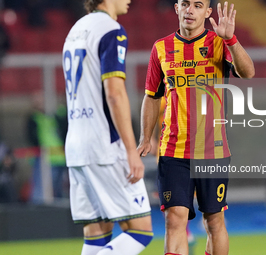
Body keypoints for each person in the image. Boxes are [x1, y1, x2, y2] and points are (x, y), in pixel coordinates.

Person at [137, 1, 255, 255]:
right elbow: (152, 96)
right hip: (173, 150)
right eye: (185, 4)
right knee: (174, 218)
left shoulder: (219, 43)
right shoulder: (161, 48)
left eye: (198, 5)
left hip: (212, 149)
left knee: (213, 220)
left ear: (207, 13)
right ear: (176, 8)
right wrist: (145, 137)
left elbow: (248, 73)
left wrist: (232, 40)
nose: (190, 10)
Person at [62, 0, 153, 255]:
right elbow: (114, 93)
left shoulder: (75, 31)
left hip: (77, 146)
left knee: (96, 235)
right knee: (140, 231)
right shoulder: (111, 29)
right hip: (104, 145)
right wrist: (131, 149)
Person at [26, 91, 68, 202]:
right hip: (43, 158)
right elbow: (32, 137)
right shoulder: (34, 118)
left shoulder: (56, 115)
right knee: (41, 189)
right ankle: (37, 212)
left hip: (60, 157)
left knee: (58, 189)